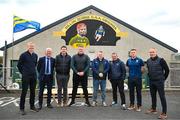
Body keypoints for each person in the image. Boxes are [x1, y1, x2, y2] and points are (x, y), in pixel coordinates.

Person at [146, 48, 169, 119]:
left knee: (162, 97)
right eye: (150, 52)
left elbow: (167, 70)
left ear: (156, 52)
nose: (151, 53)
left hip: (159, 81)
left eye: (153, 52)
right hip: (152, 81)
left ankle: (164, 113)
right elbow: (149, 70)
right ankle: (153, 109)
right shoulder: (148, 61)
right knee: (153, 96)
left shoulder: (161, 60)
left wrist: (163, 79)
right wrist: (149, 76)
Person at [17, 42, 39, 115]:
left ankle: (32, 106)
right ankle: (22, 108)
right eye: (30, 47)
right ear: (27, 47)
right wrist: (23, 72)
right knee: (24, 92)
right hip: (26, 76)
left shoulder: (35, 55)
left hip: (33, 76)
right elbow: (19, 65)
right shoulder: (23, 55)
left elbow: (35, 64)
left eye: (32, 47)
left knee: (33, 92)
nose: (31, 48)